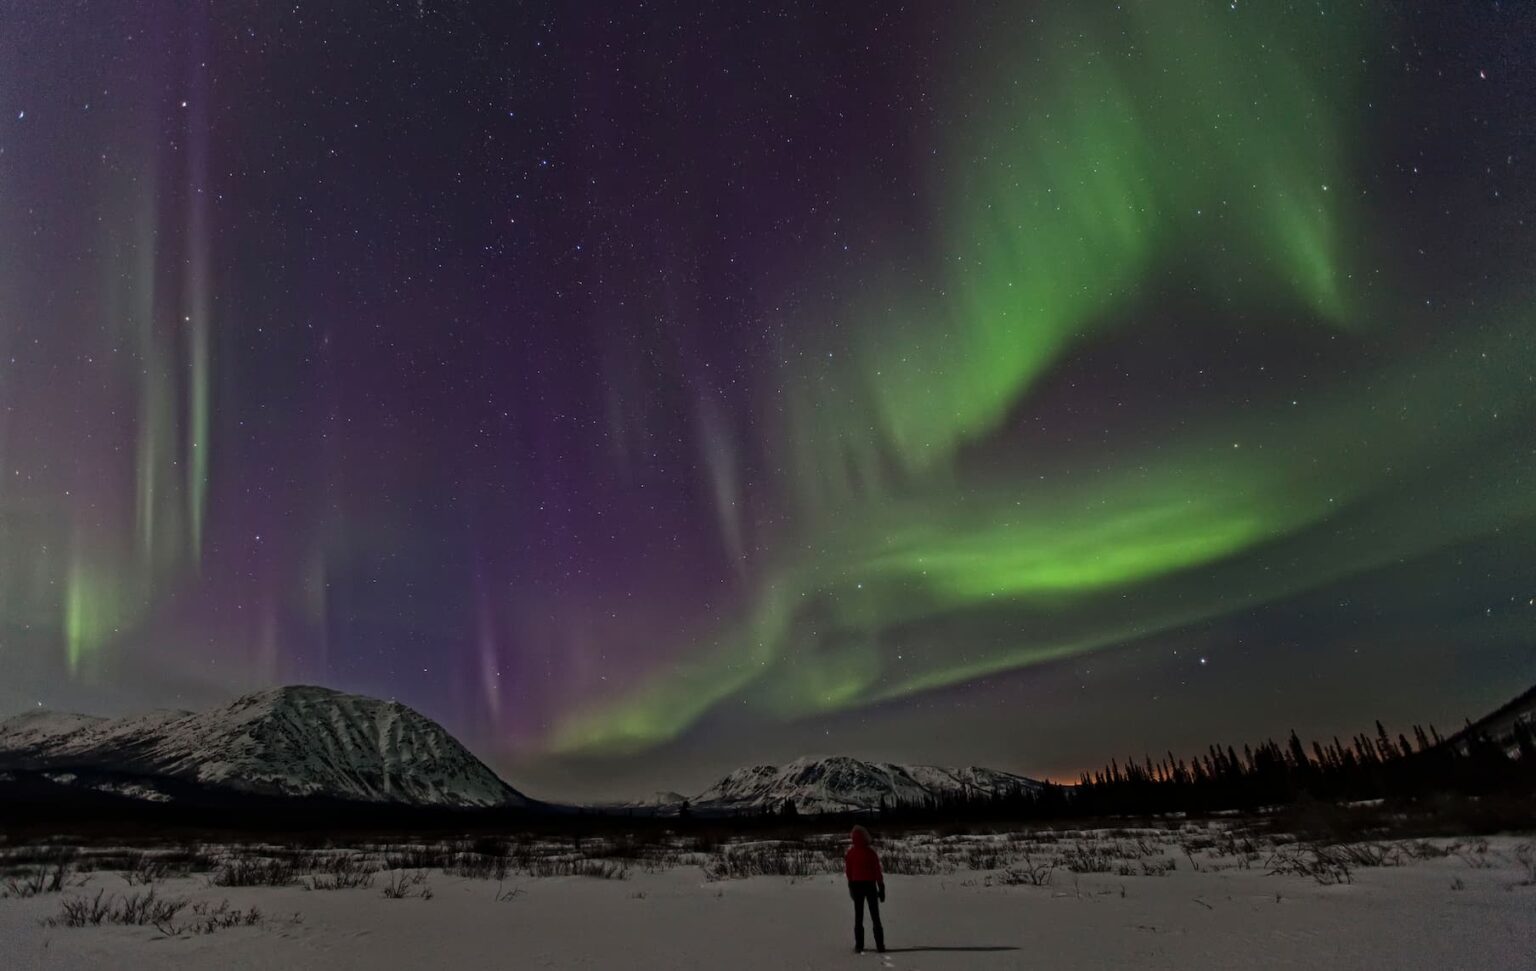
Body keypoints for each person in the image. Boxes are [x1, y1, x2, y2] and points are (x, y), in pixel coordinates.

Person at [844, 824, 886, 953]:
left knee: (858, 917)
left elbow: (848, 872)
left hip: (856, 886)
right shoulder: (870, 853)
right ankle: (880, 945)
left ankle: (859, 945)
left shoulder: (850, 853)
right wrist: (881, 886)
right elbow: (877, 871)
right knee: (875, 916)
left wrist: (850, 886)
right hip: (870, 886)